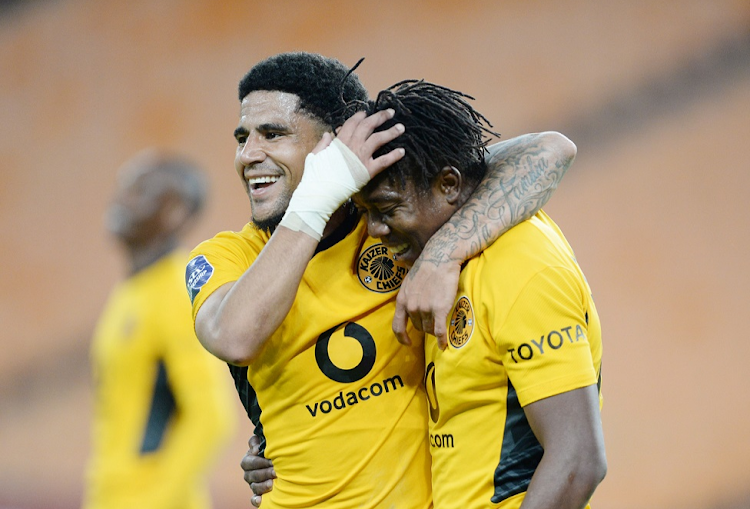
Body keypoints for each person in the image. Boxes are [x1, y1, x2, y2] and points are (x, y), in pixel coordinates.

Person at [186, 52, 576, 508]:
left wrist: (441, 257)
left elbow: (550, 150)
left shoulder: (397, 225)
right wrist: (315, 195)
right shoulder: (228, 256)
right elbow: (235, 336)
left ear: (339, 144)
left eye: (273, 134)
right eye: (242, 138)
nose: (249, 155)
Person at [83, 150, 237, 509]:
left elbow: (211, 416)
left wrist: (155, 499)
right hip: (110, 495)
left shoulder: (176, 290)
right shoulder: (133, 290)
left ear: (175, 213)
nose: (119, 200)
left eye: (140, 192)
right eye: (122, 187)